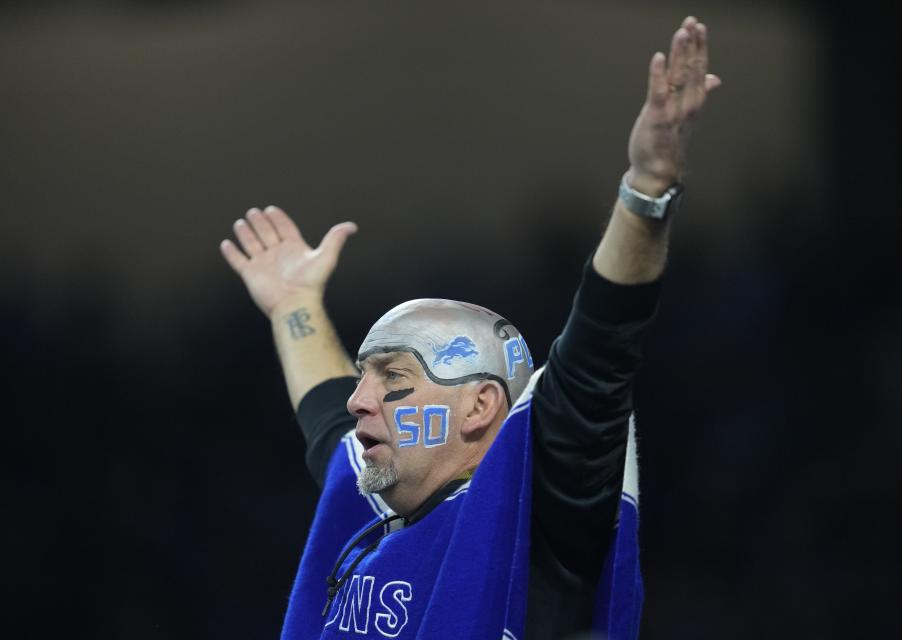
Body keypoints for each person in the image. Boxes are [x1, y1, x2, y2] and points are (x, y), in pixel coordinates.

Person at [220, 16, 720, 639]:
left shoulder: (536, 512)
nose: (358, 399)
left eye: (393, 377)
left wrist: (646, 191)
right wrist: (295, 306)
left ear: (480, 405)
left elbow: (599, 350)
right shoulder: (369, 502)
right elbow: (326, 415)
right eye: (365, 376)